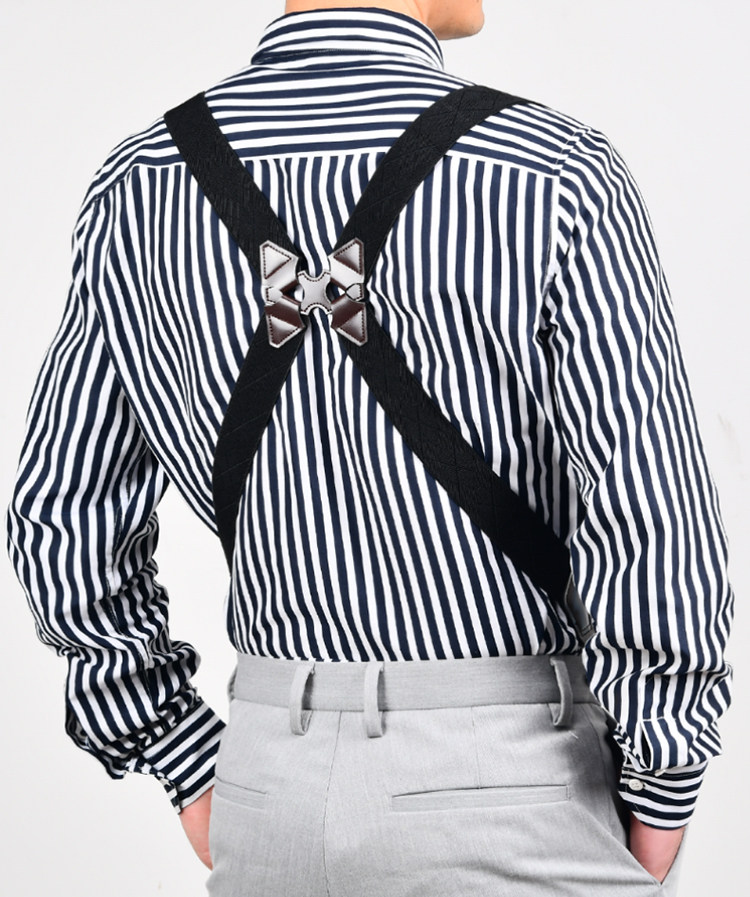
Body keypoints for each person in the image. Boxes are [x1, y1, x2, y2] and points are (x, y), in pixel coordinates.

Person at [5, 1, 734, 894]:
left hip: (269, 784)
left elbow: (61, 517)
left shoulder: (138, 186)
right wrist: (664, 779)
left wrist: (183, 754)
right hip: (511, 776)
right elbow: (653, 515)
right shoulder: (551, 170)